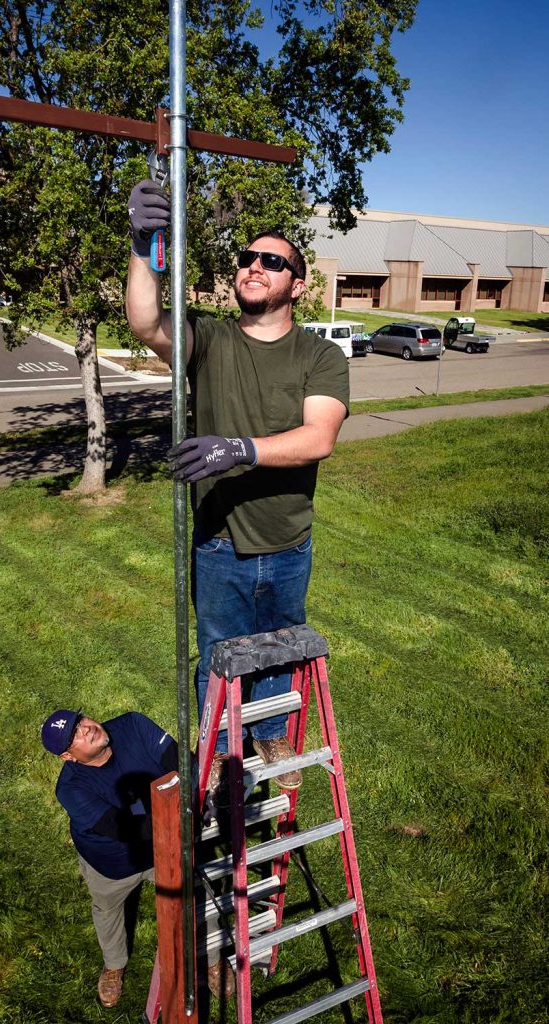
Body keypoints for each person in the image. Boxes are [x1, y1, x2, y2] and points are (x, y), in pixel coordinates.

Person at [125, 180, 350, 796]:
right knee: (220, 650)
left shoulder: (320, 355)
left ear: (296, 284)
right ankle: (223, 748)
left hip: (287, 539)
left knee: (279, 647)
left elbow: (318, 436)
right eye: (248, 259)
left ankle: (270, 730)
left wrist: (238, 448)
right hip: (220, 541)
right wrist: (143, 246)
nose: (254, 267)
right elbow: (146, 321)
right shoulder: (213, 340)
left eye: (272, 261)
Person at [41, 708, 234, 1007]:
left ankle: (211, 960)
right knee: (107, 910)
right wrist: (185, 818)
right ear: (68, 756)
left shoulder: (133, 724)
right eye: (75, 735)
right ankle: (114, 965)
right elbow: (123, 829)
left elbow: (180, 762)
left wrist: (201, 793)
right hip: (113, 861)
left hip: (166, 844)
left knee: (196, 897)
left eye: (81, 721)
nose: (87, 729)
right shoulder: (69, 789)